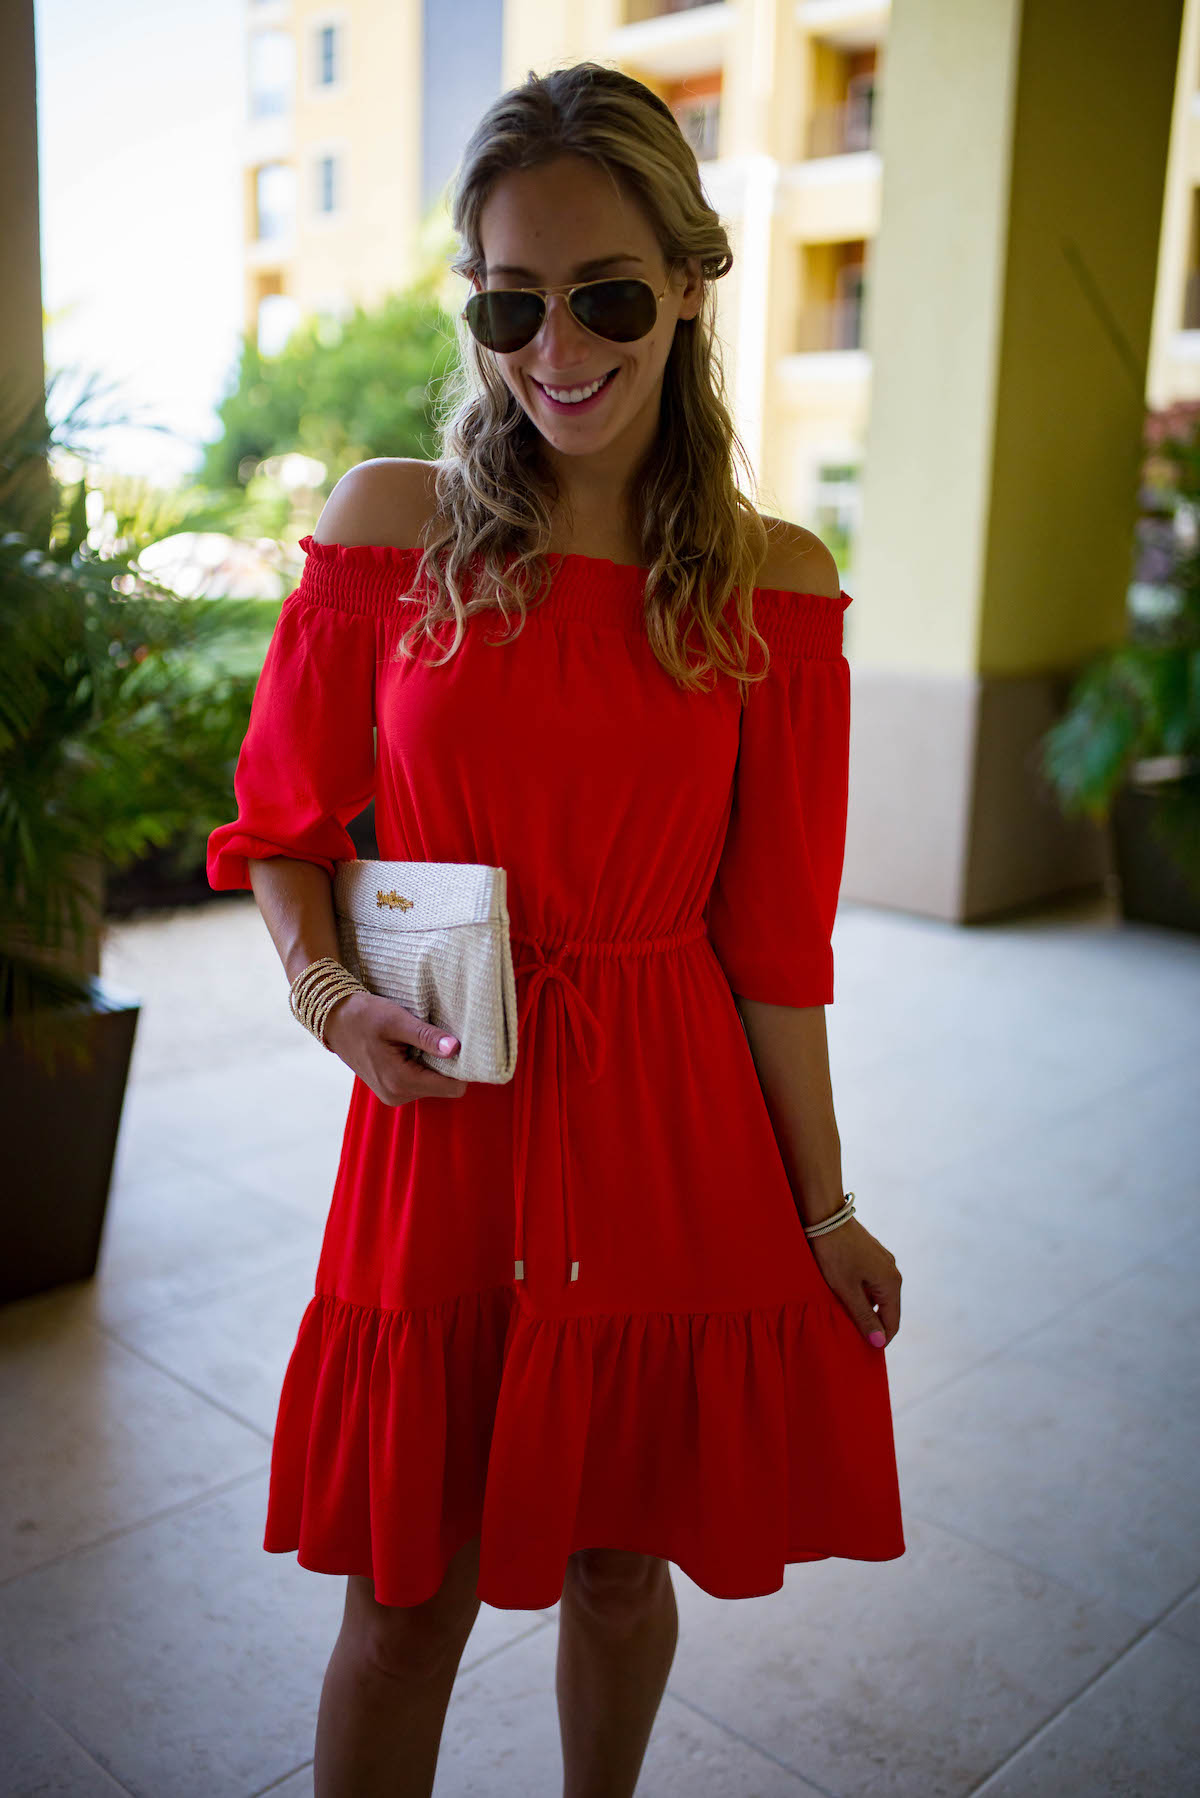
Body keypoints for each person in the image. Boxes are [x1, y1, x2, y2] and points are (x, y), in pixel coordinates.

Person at [207, 60, 905, 1798]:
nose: (556, 350)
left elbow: (776, 947)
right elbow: (281, 831)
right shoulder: (393, 531)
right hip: (444, 1124)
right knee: (402, 1598)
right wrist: (327, 1000)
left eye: (604, 296)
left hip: (667, 1127)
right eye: (513, 303)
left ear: (688, 283)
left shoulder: (778, 584)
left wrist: (820, 1202)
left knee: (617, 1562)